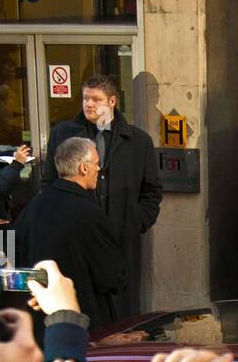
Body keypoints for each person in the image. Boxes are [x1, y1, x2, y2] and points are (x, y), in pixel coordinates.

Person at [40, 74, 161, 319]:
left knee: (121, 311)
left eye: (96, 99)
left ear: (112, 101)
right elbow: (48, 183)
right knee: (80, 306)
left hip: (120, 238)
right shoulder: (62, 134)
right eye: (85, 98)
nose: (89, 104)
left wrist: (135, 221)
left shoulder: (139, 141)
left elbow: (152, 191)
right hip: (74, 237)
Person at [15, 137, 126, 329]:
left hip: (37, 320)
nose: (98, 169)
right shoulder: (89, 214)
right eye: (97, 164)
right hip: (81, 323)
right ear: (84, 168)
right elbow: (112, 277)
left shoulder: (33, 206)